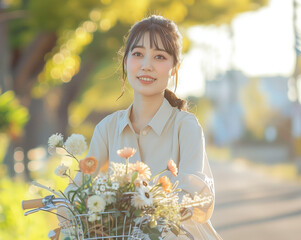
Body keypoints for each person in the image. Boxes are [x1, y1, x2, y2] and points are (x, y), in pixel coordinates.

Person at [64, 15, 222, 240]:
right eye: (137, 54)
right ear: (126, 60)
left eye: (159, 56)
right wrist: (73, 199)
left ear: (174, 68)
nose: (147, 65)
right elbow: (80, 185)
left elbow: (195, 194)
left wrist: (153, 202)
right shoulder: (107, 129)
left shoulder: (185, 127)